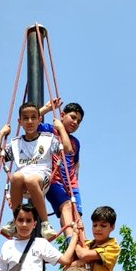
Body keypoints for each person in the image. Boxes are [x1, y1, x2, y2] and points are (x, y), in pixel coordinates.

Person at [0, 102, 74, 240]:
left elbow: (67, 149)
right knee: (16, 176)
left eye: (33, 117)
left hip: (42, 178)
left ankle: (45, 224)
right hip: (22, 181)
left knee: (31, 179)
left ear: (39, 119)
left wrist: (61, 128)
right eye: (25, 118)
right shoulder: (16, 143)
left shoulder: (47, 139)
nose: (29, 121)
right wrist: (1, 134)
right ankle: (15, 220)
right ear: (20, 122)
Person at [39, 100, 84, 239]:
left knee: (77, 215)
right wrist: (46, 108)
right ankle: (71, 242)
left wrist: (76, 182)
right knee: (66, 206)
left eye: (79, 121)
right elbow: (31, 121)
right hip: (54, 181)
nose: (75, 122)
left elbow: (75, 163)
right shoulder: (50, 130)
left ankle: (83, 244)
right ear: (62, 115)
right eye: (73, 117)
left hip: (71, 183)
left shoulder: (75, 142)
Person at [74, 207, 121, 271]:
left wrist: (74, 241)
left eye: (103, 226)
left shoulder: (113, 248)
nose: (98, 229)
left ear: (112, 227)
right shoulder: (87, 244)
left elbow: (83, 255)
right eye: (95, 225)